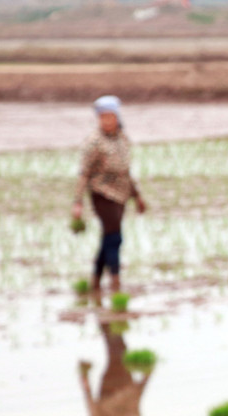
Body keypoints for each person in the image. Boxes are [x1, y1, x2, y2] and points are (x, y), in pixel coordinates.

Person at [72, 95, 147, 293]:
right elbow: (83, 173)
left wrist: (137, 196)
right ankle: (115, 280)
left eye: (110, 116)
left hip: (121, 194)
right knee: (115, 237)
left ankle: (96, 279)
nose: (107, 121)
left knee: (109, 237)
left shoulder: (122, 139)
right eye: (103, 117)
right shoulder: (93, 142)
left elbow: (127, 170)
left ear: (117, 117)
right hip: (101, 193)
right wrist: (77, 202)